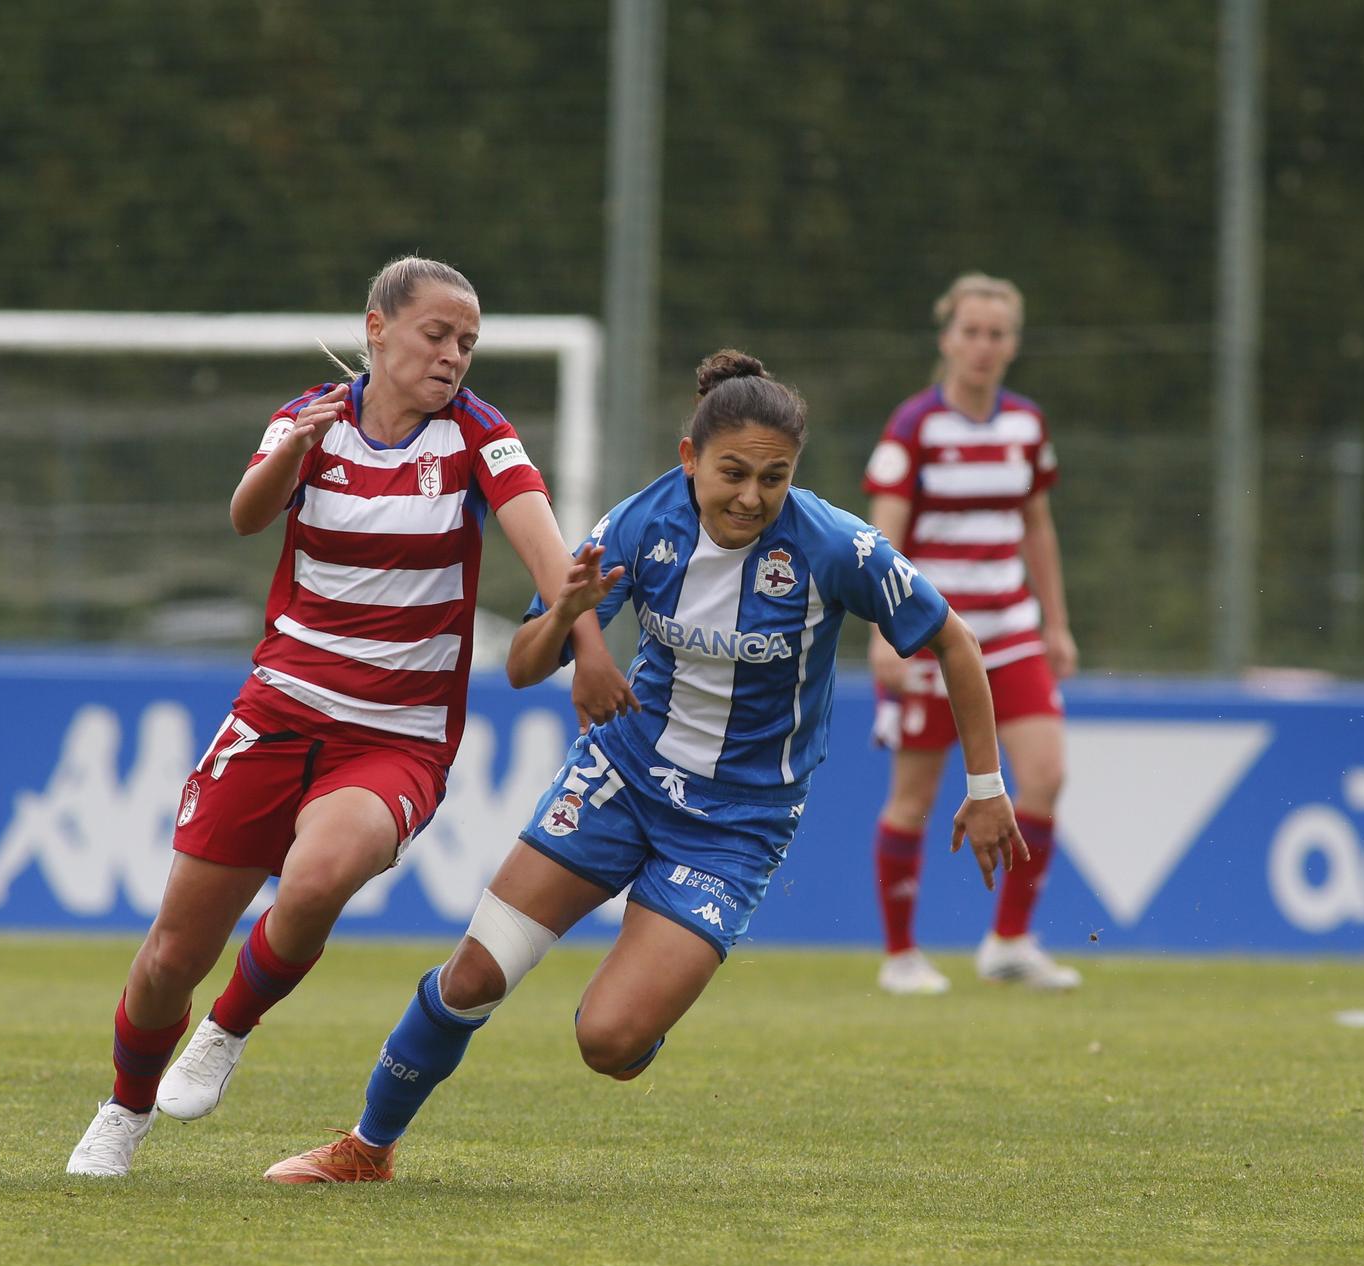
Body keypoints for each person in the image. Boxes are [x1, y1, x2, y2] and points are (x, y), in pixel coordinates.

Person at [261, 350, 1028, 1183]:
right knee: (476, 973)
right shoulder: (639, 524)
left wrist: (986, 787)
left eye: (774, 478)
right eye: (733, 472)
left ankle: (649, 996)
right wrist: (567, 620)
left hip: (737, 823)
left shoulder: (834, 545)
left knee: (609, 1041)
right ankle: (366, 1149)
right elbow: (522, 666)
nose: (751, 497)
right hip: (620, 778)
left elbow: (954, 640)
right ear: (688, 456)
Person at [65, 256, 633, 1176]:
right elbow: (249, 517)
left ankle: (228, 1029)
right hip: (277, 713)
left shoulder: (479, 437)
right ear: (378, 330)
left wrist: (587, 639)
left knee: (320, 874)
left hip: (395, 739)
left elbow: (545, 547)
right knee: (172, 952)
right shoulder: (308, 418)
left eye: (468, 343)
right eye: (437, 335)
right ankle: (123, 1111)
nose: (455, 356)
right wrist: (289, 452)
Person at [863, 273, 1080, 995]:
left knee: (1046, 774)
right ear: (947, 338)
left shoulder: (1027, 426)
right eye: (971, 332)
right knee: (915, 800)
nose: (983, 347)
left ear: (1012, 344)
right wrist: (881, 635)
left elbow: (1039, 526)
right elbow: (882, 538)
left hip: (1013, 630)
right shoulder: (914, 427)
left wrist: (1057, 623)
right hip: (933, 636)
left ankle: (1010, 941)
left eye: (997, 334)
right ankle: (900, 955)